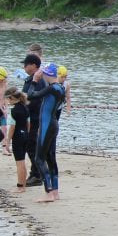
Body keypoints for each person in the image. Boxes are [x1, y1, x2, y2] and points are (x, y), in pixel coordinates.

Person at [29, 63, 66, 203]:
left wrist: (34, 81)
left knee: (39, 158)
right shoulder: (60, 88)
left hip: (47, 125)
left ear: (47, 75)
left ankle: (48, 192)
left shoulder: (51, 89)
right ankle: (55, 191)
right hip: (53, 123)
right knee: (50, 158)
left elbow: (32, 95)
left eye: (43, 73)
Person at [21, 53, 45, 187]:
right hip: (32, 117)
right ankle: (36, 173)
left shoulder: (38, 80)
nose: (24, 67)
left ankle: (37, 174)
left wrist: (25, 105)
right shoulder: (31, 79)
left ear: (34, 66)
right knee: (31, 146)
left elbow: (34, 99)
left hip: (34, 118)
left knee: (32, 146)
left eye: (26, 64)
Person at [3, 87, 30, 192]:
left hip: (18, 137)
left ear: (11, 98)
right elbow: (28, 123)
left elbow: (12, 127)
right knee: (23, 161)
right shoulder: (25, 107)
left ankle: (20, 186)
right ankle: (23, 184)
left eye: (8, 99)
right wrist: (27, 133)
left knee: (19, 162)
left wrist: (8, 140)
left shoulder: (14, 111)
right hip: (25, 135)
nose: (8, 101)